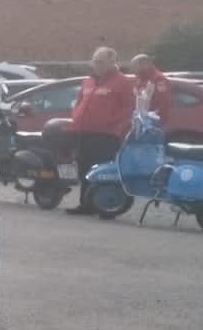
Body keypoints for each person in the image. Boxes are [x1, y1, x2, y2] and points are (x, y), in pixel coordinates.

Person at [65, 46, 134, 214]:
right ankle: (85, 204)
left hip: (105, 135)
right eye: (95, 62)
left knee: (101, 170)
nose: (97, 65)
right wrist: (76, 117)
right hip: (83, 132)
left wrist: (110, 123)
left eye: (101, 62)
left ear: (112, 62)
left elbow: (128, 108)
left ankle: (102, 204)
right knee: (84, 169)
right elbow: (79, 101)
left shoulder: (123, 82)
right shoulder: (88, 81)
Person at [130, 53, 173, 121]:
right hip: (140, 119)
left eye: (135, 66)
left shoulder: (158, 79)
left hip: (152, 122)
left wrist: (155, 118)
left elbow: (163, 102)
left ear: (145, 64)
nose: (133, 70)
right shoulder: (140, 79)